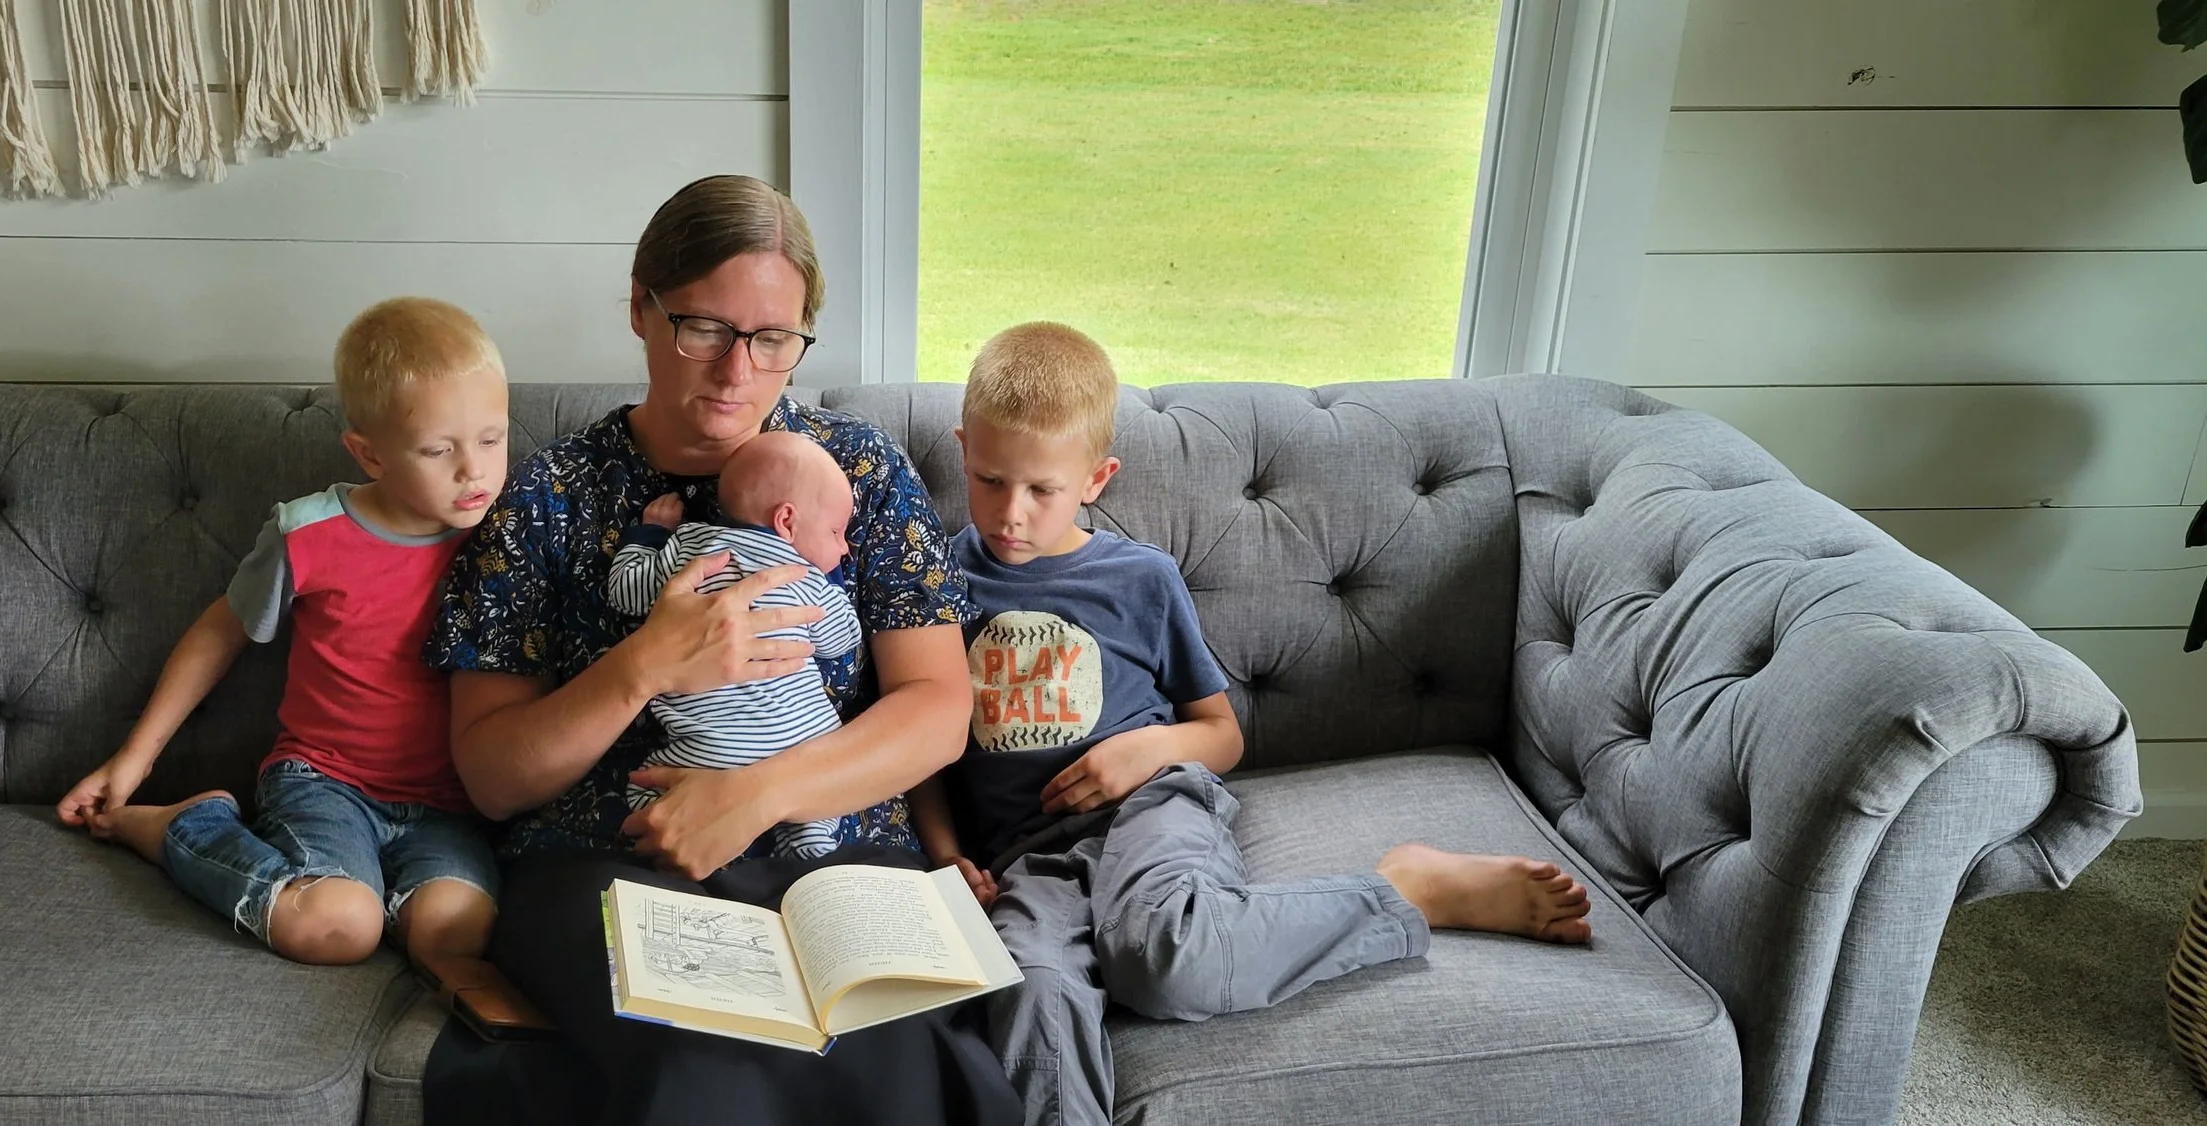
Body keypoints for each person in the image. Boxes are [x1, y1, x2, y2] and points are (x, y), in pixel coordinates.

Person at [418, 174, 1020, 1125]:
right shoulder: (547, 499)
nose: (738, 371)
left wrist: (759, 794)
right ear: (640, 310)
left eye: (773, 339)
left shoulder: (854, 473)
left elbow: (938, 706)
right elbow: (492, 775)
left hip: (841, 858)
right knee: (710, 1067)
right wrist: (647, 662)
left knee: (899, 1065)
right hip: (608, 865)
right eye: (704, 327)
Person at [909, 321, 1596, 1126]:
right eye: (990, 480)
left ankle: (1403, 892)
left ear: (1097, 477)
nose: (1011, 513)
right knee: (1032, 996)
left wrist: (1149, 751)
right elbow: (919, 738)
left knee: (1162, 961)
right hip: (1027, 865)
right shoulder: (935, 588)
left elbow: (1222, 736)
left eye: (1042, 490)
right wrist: (947, 854)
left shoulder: (1139, 577)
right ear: (961, 449)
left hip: (1149, 813)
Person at [53, 297, 509, 969]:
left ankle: (381, 889)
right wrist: (135, 759)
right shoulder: (311, 533)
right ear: (369, 454)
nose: (473, 471)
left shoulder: (511, 536)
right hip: (324, 782)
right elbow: (219, 633)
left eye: (492, 438)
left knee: (454, 936)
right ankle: (185, 825)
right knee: (339, 926)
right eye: (438, 450)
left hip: (449, 804)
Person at [607, 430, 863, 858]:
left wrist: (650, 534)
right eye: (837, 532)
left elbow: (625, 591)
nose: (845, 548)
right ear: (787, 521)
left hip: (711, 749)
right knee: (818, 807)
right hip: (800, 753)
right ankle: (809, 848)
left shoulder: (689, 546)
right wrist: (830, 580)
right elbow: (841, 638)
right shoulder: (803, 575)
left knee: (653, 787)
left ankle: (657, 841)